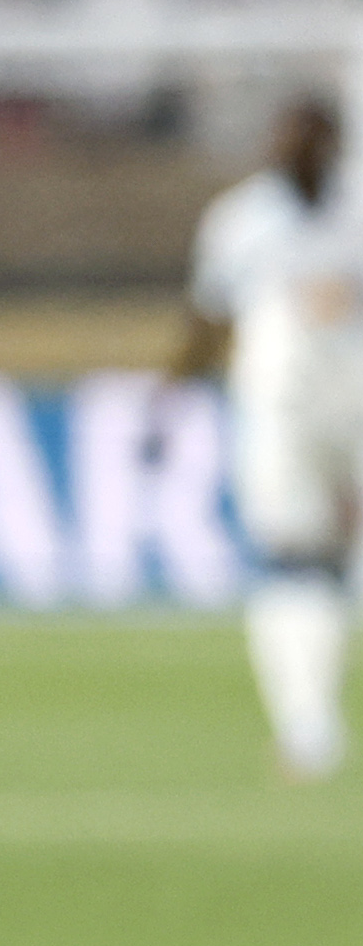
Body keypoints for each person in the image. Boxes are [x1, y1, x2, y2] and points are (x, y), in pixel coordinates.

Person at [173, 89, 361, 781]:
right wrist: (171, 398)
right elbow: (207, 315)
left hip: (343, 404)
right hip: (281, 410)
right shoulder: (241, 219)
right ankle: (308, 726)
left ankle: (310, 726)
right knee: (298, 559)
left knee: (311, 563)